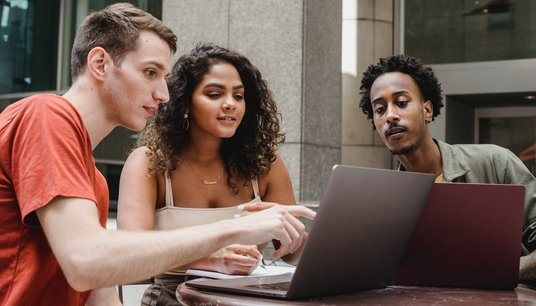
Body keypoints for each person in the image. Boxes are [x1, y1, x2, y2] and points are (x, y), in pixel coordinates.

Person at [0, 4, 315, 306]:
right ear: (99, 64)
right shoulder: (46, 114)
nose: (164, 94)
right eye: (150, 72)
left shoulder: (93, 182)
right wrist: (234, 230)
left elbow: (103, 296)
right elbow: (85, 261)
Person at [117, 42, 301, 304]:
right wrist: (208, 260)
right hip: (173, 297)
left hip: (248, 298)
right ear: (185, 103)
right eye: (215, 94)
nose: (230, 104)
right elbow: (129, 254)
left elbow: (293, 255)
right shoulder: (149, 163)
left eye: (238, 96)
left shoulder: (264, 164)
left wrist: (297, 239)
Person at [357, 54, 536, 280]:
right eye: (380, 109)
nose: (390, 115)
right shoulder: (386, 204)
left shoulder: (496, 163)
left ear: (427, 110)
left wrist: (504, 271)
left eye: (401, 103)